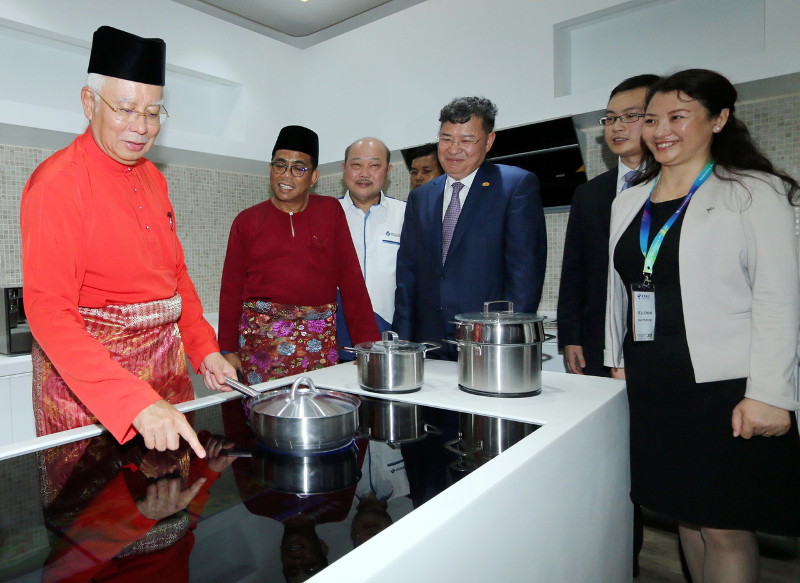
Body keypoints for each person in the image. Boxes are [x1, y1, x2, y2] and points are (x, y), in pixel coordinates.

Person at [604, 69, 800, 582]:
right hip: (654, 381)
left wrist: (771, 394)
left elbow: (779, 297)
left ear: (719, 119)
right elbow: (621, 291)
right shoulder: (630, 198)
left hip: (725, 386)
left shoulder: (754, 191)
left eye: (678, 116)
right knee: (685, 515)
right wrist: (620, 363)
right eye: (652, 118)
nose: (660, 129)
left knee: (726, 526)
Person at [20, 26, 234, 459]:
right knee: (105, 517)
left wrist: (203, 347)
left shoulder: (154, 178)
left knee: (174, 505)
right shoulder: (57, 183)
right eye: (125, 109)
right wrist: (132, 401)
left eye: (153, 112)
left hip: (165, 373)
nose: (141, 127)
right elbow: (48, 311)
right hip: (93, 389)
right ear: (88, 102)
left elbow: (175, 278)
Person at [218, 125, 379, 384]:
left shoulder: (330, 212)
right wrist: (227, 349)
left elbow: (351, 281)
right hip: (260, 344)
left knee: (320, 410)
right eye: (279, 165)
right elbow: (231, 288)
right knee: (265, 417)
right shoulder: (247, 221)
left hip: (318, 342)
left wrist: (367, 345)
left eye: (299, 168)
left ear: (313, 177)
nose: (287, 175)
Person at [393, 96, 546, 360]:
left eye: (466, 140)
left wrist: (507, 341)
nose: (453, 149)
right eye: (446, 138)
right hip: (428, 343)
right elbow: (408, 275)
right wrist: (403, 342)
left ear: (488, 141)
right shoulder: (421, 197)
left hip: (487, 342)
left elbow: (525, 275)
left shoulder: (515, 186)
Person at [558, 73, 660, 377]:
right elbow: (574, 270)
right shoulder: (589, 193)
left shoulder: (676, 186)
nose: (617, 126)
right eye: (611, 118)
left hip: (659, 337)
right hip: (596, 339)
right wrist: (571, 337)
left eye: (631, 116)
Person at [336, 137, 405, 357]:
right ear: (344, 168)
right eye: (357, 165)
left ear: (388, 170)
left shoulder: (406, 214)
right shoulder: (325, 214)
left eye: (374, 165)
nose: (364, 173)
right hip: (334, 334)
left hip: (391, 334)